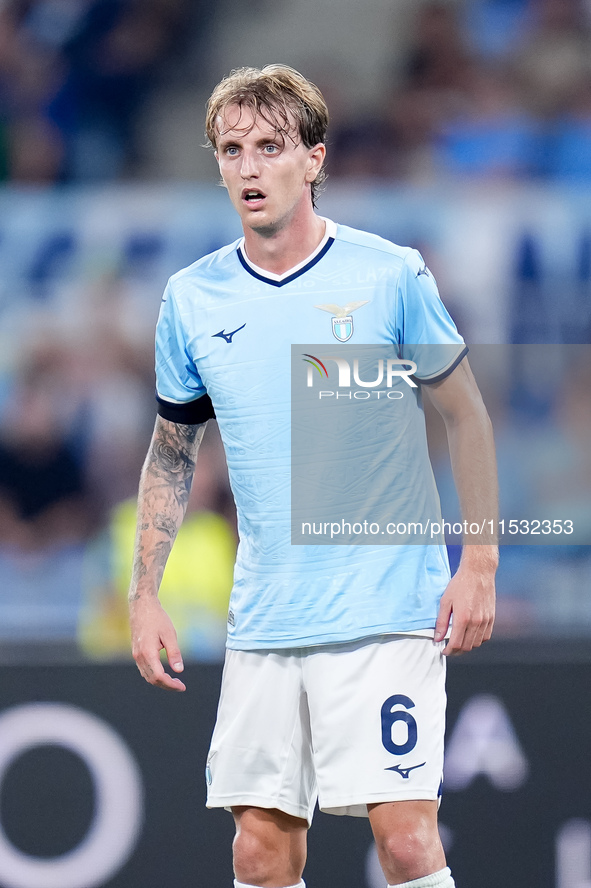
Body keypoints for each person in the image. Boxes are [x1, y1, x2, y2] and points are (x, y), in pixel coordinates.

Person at [129, 64, 498, 888]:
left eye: (269, 146)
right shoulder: (192, 298)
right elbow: (171, 449)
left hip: (387, 604)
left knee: (404, 842)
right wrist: (143, 592)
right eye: (231, 149)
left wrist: (477, 562)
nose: (249, 166)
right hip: (268, 614)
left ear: (314, 159)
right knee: (260, 854)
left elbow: (465, 413)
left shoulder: (387, 274)